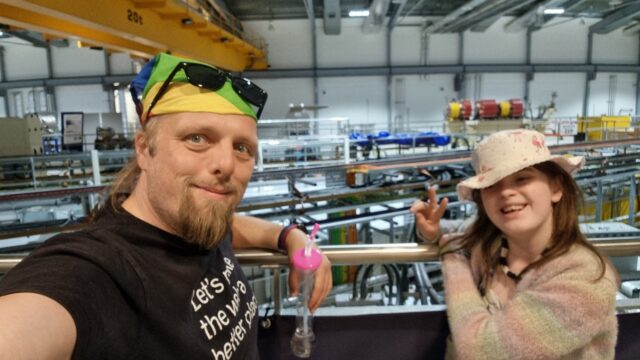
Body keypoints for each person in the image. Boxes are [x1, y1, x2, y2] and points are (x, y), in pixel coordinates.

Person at [0, 53, 332, 359]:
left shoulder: (198, 221)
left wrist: (291, 238)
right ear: (144, 149)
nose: (227, 164)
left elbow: (231, 226)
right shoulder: (99, 270)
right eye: (197, 138)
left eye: (242, 147)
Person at [411, 129, 618, 359]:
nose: (506, 192)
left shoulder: (586, 279)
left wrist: (452, 258)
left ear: (556, 188)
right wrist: (433, 231)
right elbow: (459, 231)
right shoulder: (491, 243)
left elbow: (482, 350)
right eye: (492, 184)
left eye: (522, 178)